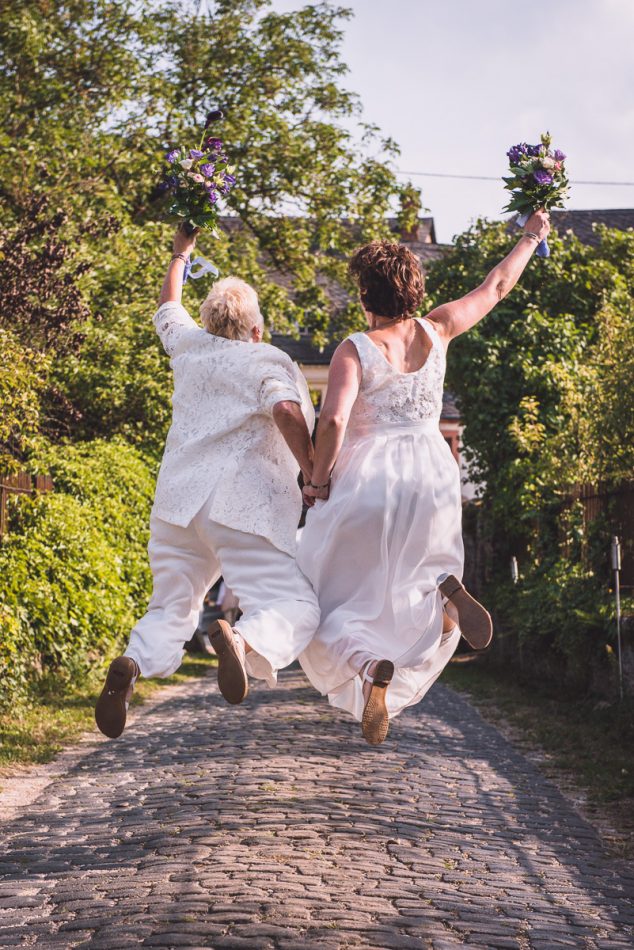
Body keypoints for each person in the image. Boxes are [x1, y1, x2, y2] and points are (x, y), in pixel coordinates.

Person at [298, 211, 551, 745]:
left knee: (328, 597)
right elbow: (497, 285)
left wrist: (317, 482)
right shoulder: (438, 330)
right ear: (414, 287)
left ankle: (368, 665)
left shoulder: (356, 348)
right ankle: (444, 597)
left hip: (369, 480)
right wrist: (532, 234)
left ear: (365, 294)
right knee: (410, 583)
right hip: (433, 474)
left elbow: (336, 420)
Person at [95, 226, 320, 739]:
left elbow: (168, 307)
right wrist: (310, 468)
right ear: (257, 329)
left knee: (171, 607)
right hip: (240, 506)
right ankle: (243, 640)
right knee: (293, 604)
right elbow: (285, 407)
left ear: (209, 321)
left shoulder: (189, 348)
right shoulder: (265, 359)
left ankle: (133, 662)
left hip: (177, 504)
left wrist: (181, 251)